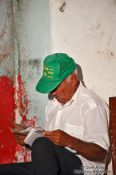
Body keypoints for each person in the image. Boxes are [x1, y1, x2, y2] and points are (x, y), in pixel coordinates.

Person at [0, 53, 109, 175]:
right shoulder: (52, 104)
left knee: (42, 145)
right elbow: (49, 151)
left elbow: (101, 154)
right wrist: (28, 141)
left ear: (72, 79)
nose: (53, 92)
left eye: (55, 86)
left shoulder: (92, 105)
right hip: (55, 165)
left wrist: (69, 141)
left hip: (85, 169)